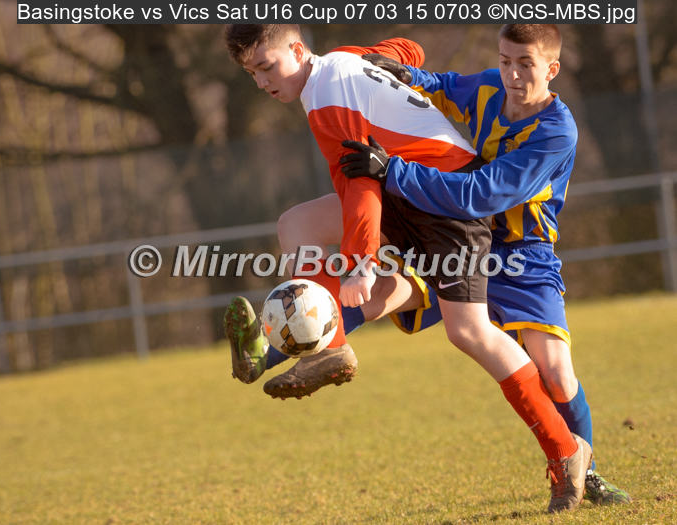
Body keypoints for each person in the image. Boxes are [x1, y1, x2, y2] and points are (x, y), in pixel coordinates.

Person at [248, 24, 630, 506]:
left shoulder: (556, 131)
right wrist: (405, 73)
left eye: (525, 65)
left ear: (552, 69)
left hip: (517, 251)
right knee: (381, 290)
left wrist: (393, 171)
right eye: (505, 61)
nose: (511, 74)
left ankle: (584, 471)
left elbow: (482, 193)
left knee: (554, 373)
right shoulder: (491, 86)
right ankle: (280, 350)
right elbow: (445, 85)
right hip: (442, 218)